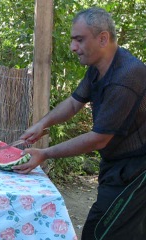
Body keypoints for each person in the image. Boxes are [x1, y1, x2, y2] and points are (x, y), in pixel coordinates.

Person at [12, 7, 146, 240]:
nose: (73, 47)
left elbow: (98, 138)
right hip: (117, 166)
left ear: (103, 38)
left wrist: (44, 153)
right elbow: (75, 103)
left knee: (99, 232)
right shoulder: (99, 68)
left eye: (79, 40)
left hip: (137, 169)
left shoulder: (126, 77)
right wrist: (41, 124)